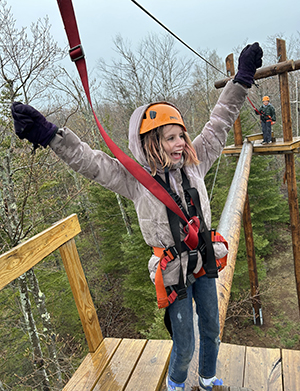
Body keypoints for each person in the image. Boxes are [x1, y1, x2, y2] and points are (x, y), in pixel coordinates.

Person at [11, 42, 263, 391]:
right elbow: (92, 162)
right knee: (185, 339)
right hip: (174, 270)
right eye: (169, 138)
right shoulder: (137, 181)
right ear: (149, 145)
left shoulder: (195, 162)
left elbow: (219, 121)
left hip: (203, 260)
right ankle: (176, 384)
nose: (179, 143)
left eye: (180, 135)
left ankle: (207, 379)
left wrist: (241, 81)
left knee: (210, 326)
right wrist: (51, 135)